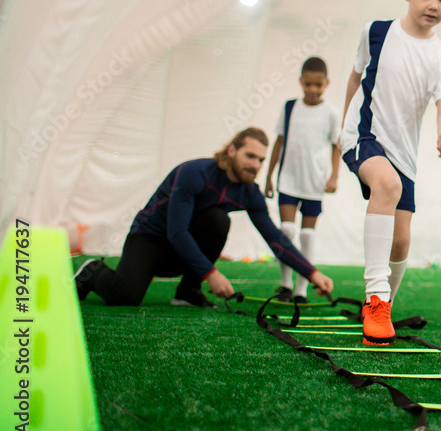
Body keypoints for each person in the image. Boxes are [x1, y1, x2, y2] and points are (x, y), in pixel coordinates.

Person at [74, 127, 334, 307]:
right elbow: (176, 231)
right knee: (126, 296)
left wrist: (311, 273)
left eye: (261, 160)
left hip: (181, 253)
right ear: (232, 151)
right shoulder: (195, 173)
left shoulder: (250, 193)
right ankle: (94, 271)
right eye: (250, 156)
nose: (255, 165)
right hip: (150, 239)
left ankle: (188, 291)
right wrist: (211, 273)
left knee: (218, 221)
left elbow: (276, 239)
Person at [341, 0, 441, 345]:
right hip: (364, 134)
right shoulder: (375, 32)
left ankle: (384, 303)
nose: (433, 5)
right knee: (387, 187)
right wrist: (342, 127)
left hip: (404, 152)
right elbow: (355, 78)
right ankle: (375, 298)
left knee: (402, 240)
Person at [264, 56, 341, 303]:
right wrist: (268, 177)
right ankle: (285, 285)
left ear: (327, 83)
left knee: (307, 235)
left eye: (318, 85)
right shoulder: (289, 108)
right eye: (308, 84)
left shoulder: (331, 112)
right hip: (288, 180)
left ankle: (301, 289)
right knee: (286, 230)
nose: (313, 90)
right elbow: (279, 141)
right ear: (300, 82)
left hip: (314, 184)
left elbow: (336, 146)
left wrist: (334, 176)